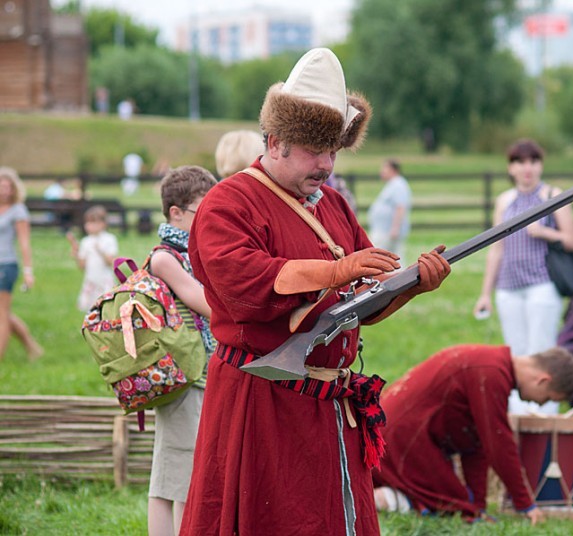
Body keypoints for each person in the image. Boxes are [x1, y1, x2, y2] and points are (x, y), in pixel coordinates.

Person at [180, 48, 451, 536]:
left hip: (328, 399)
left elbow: (363, 301)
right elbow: (245, 284)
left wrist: (412, 284)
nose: (327, 164)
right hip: (260, 399)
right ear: (276, 141)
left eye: (333, 151)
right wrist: (335, 271)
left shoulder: (334, 206)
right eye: (315, 150)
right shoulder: (228, 202)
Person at [372, 344, 573, 524]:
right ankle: (386, 499)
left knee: (463, 503)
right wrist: (525, 504)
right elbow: (499, 444)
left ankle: (389, 493)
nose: (540, 404)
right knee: (451, 504)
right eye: (547, 399)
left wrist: (478, 505)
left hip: (396, 435)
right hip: (398, 440)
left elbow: (475, 444)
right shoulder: (491, 372)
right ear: (543, 380)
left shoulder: (493, 366)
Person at [473, 139, 573, 415]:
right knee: (516, 353)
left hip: (541, 284)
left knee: (541, 349)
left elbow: (572, 240)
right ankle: (518, 415)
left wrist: (545, 233)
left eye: (533, 161)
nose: (527, 168)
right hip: (509, 286)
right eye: (520, 162)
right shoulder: (504, 201)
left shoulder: (553, 196)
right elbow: (496, 249)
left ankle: (545, 414)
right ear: (511, 167)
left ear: (541, 165)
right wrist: (486, 293)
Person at [147, 165, 218, 536]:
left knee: (172, 470)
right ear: (176, 212)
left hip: (193, 373)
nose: (209, 219)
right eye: (202, 211)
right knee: (181, 475)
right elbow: (200, 299)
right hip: (182, 376)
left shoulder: (191, 251)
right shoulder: (165, 258)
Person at [0, 167, 43, 361]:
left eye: (8, 186)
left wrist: (28, 271)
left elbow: (24, 243)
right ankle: (31, 346)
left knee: (2, 313)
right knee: (4, 313)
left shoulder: (18, 210)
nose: (4, 190)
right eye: (1, 186)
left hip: (6, 265)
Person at [67, 206, 118, 312]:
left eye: (94, 222)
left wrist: (100, 250)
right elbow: (82, 266)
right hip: (91, 279)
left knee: (106, 307)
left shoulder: (109, 239)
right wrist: (76, 252)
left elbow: (110, 262)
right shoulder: (86, 241)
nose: (89, 226)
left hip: (104, 280)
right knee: (88, 308)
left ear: (103, 224)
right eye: (88, 223)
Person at [368, 159, 411, 262]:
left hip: (387, 231)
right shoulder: (393, 184)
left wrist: (395, 228)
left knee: (382, 257)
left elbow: (400, 207)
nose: (382, 171)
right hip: (384, 230)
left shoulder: (398, 185)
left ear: (393, 170)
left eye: (385, 168)